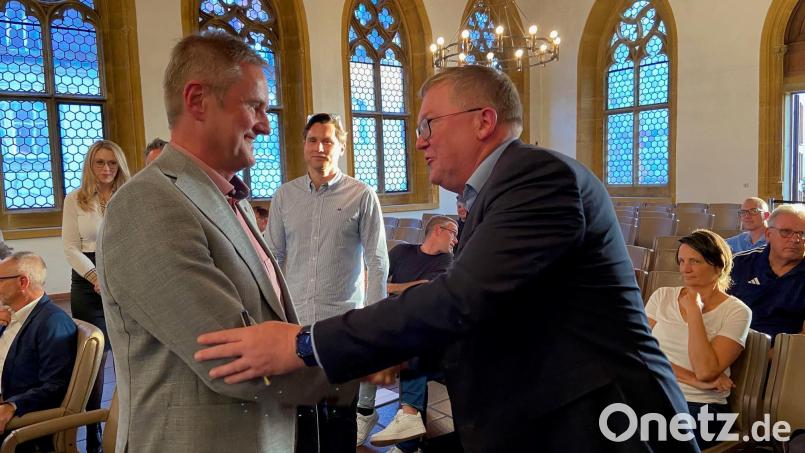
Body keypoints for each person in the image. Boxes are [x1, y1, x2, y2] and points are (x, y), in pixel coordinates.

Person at [196, 65, 698, 452]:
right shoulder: (498, 192)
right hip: (547, 417)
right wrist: (402, 354)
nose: (419, 141)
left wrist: (305, 344)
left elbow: (462, 300)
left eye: (429, 124)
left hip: (603, 423)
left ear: (484, 121)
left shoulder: (539, 178)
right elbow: (499, 318)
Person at [97, 31, 348, 453]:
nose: (267, 125)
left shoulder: (230, 198)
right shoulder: (148, 204)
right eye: (255, 106)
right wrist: (370, 356)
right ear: (197, 100)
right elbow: (235, 362)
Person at [266, 112, 388, 451]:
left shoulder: (361, 196)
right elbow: (272, 258)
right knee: (300, 418)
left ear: (341, 147)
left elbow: (377, 261)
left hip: (342, 323)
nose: (320, 147)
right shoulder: (284, 197)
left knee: (339, 419)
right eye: (313, 140)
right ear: (303, 145)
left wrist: (374, 322)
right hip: (297, 323)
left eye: (328, 141)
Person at [645, 230, 751, 449]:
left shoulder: (737, 311)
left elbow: (705, 371)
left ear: (718, 266)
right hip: (656, 392)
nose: (685, 269)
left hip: (703, 406)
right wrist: (692, 379)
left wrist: (694, 310)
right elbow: (641, 355)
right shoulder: (662, 296)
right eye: (682, 261)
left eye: (694, 261)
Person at [61, 139, 130, 453]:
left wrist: (117, 276)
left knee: (128, 356)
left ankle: (127, 425)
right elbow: (71, 247)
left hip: (123, 277)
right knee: (96, 358)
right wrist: (94, 276)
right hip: (87, 282)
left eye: (112, 163)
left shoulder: (129, 196)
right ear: (90, 165)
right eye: (100, 163)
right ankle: (92, 436)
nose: (106, 169)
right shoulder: (75, 199)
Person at [370, 216, 457, 452]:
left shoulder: (448, 260)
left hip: (429, 333)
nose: (456, 240)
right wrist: (404, 288)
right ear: (438, 230)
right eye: (453, 233)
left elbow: (426, 294)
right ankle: (372, 414)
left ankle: (407, 438)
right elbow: (372, 280)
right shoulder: (401, 251)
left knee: (413, 345)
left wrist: (392, 289)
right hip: (399, 324)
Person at [0, 252, 77, 452]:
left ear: (22, 282)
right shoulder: (13, 316)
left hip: (17, 417)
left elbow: (56, 385)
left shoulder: (53, 323)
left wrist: (12, 406)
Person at [729, 204, 805, 339]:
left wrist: (767, 356)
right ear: (768, 234)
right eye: (786, 232)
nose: (795, 239)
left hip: (788, 353)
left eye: (802, 234)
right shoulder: (739, 264)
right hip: (734, 344)